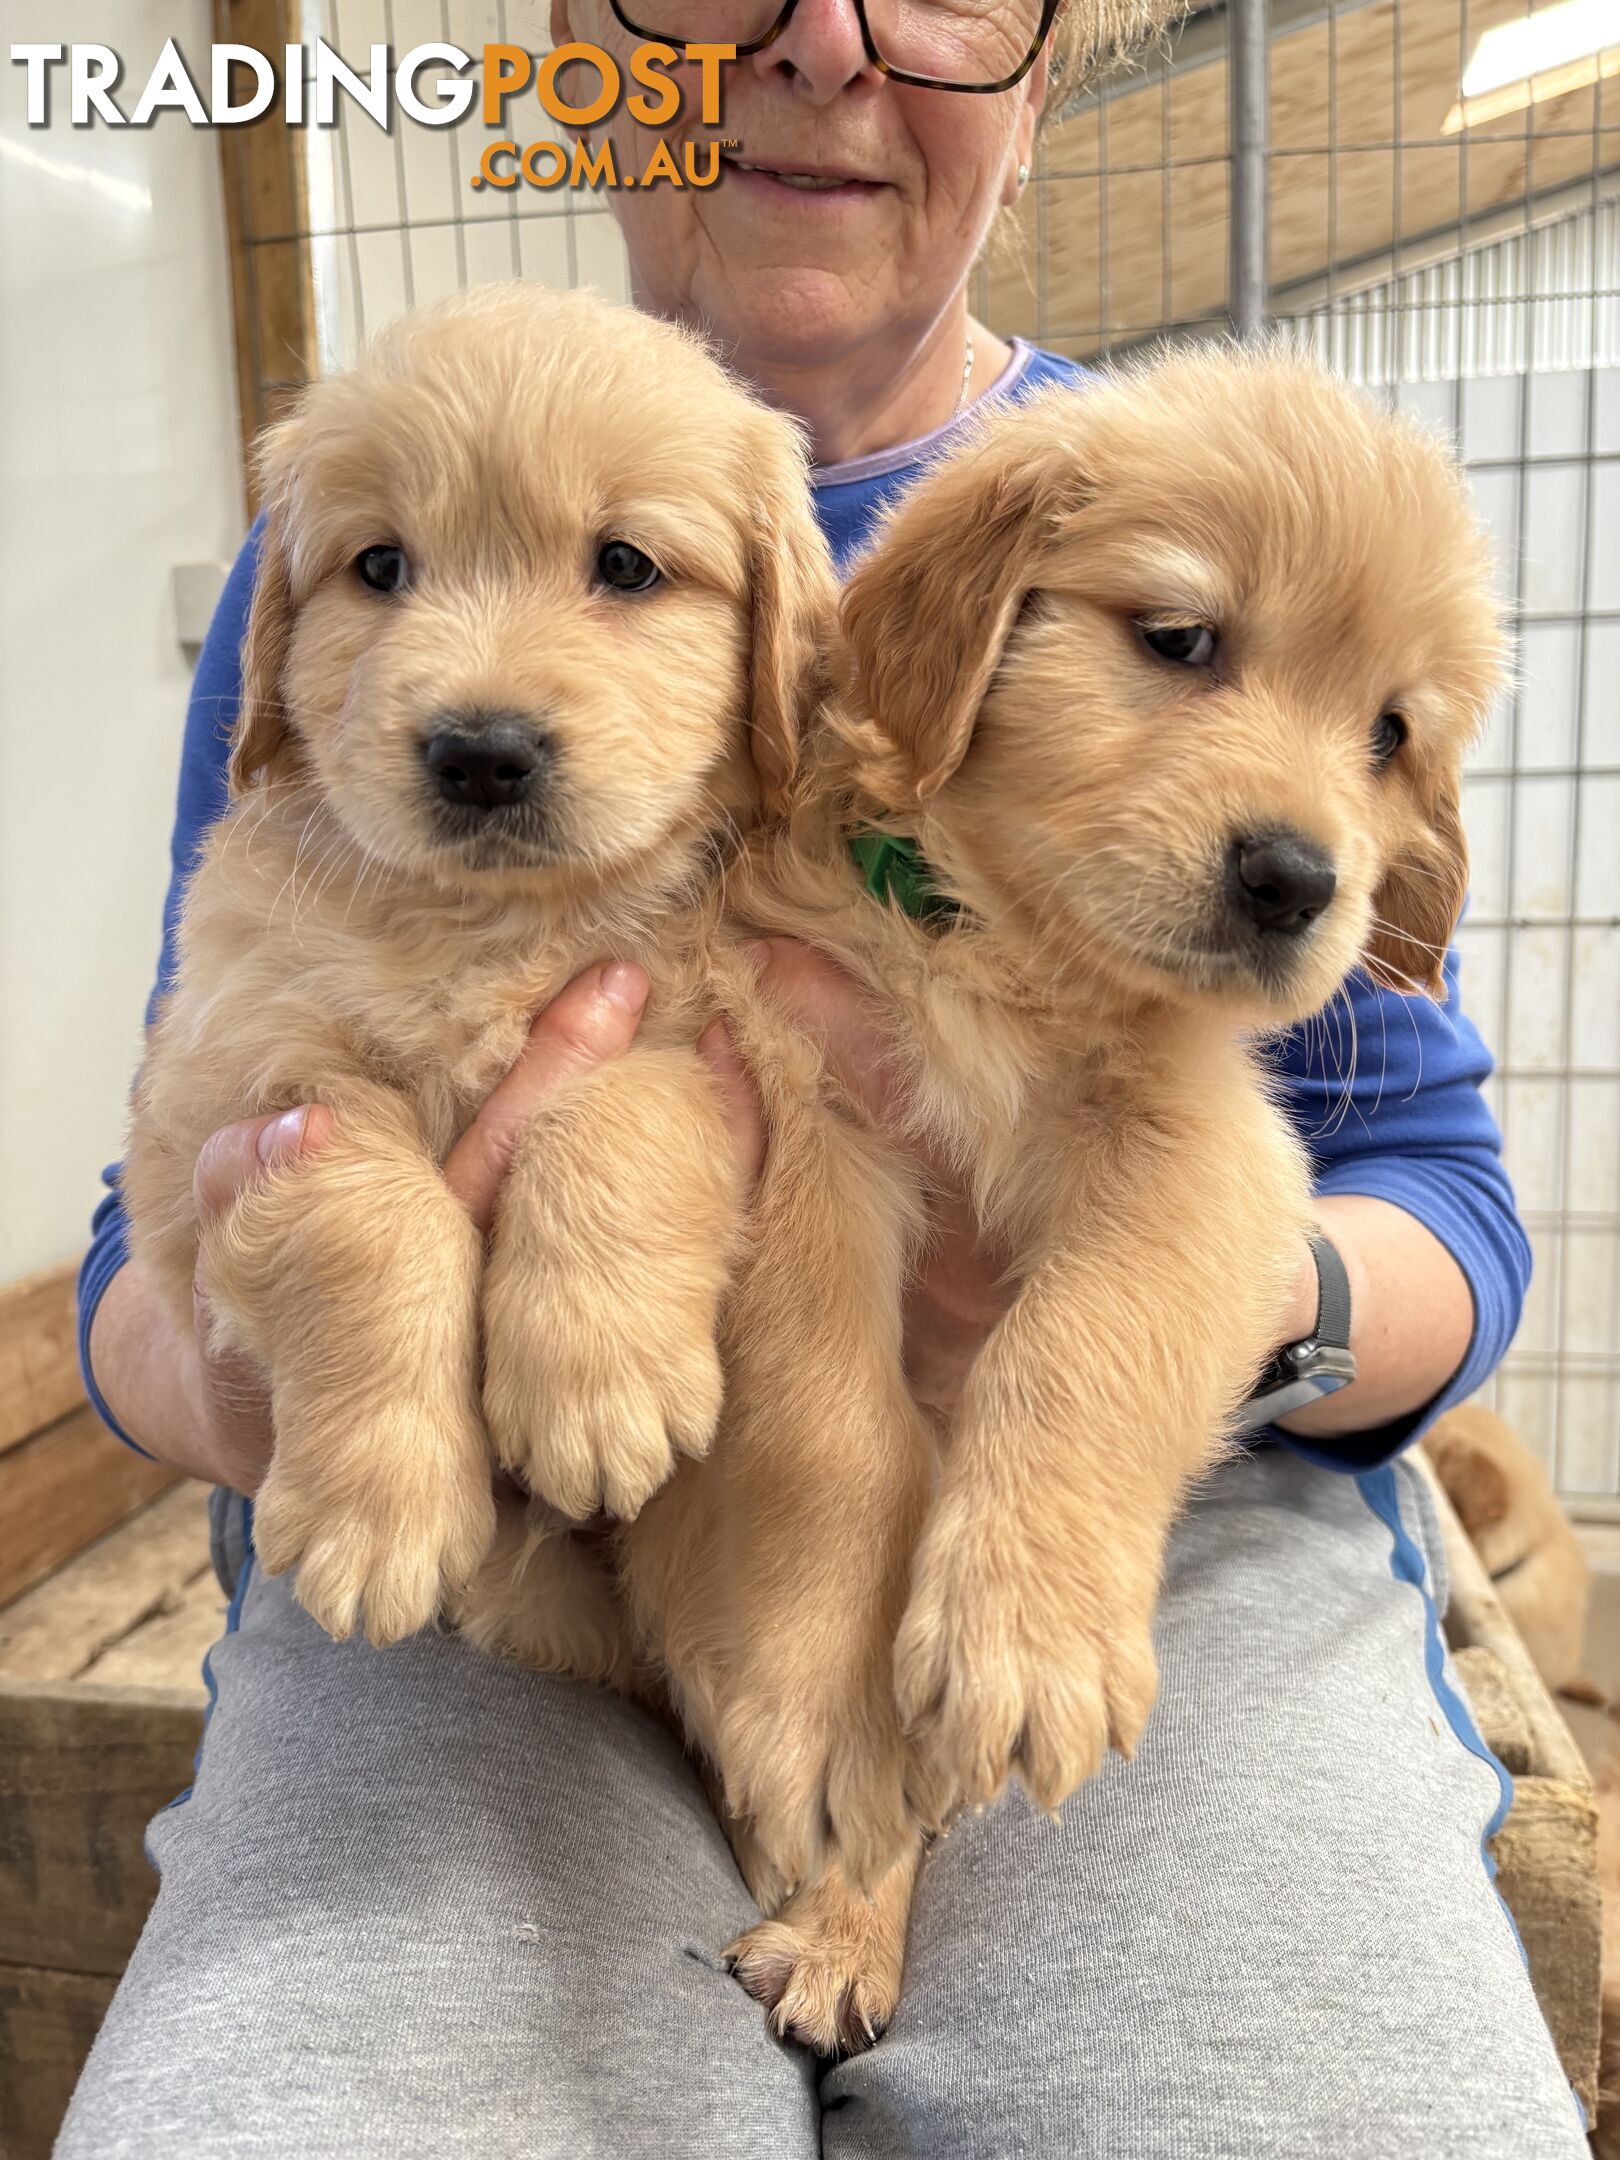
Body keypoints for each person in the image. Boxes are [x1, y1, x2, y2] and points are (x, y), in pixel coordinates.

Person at [63, 0, 1584, 2151]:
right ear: (573, 44)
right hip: (493, 1564)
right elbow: (179, 1201)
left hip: (1167, 1516)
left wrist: (1175, 1330)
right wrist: (331, 1366)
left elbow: (1427, 1187)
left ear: (1049, 82)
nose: (826, 47)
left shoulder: (1207, 487)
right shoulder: (356, 517)